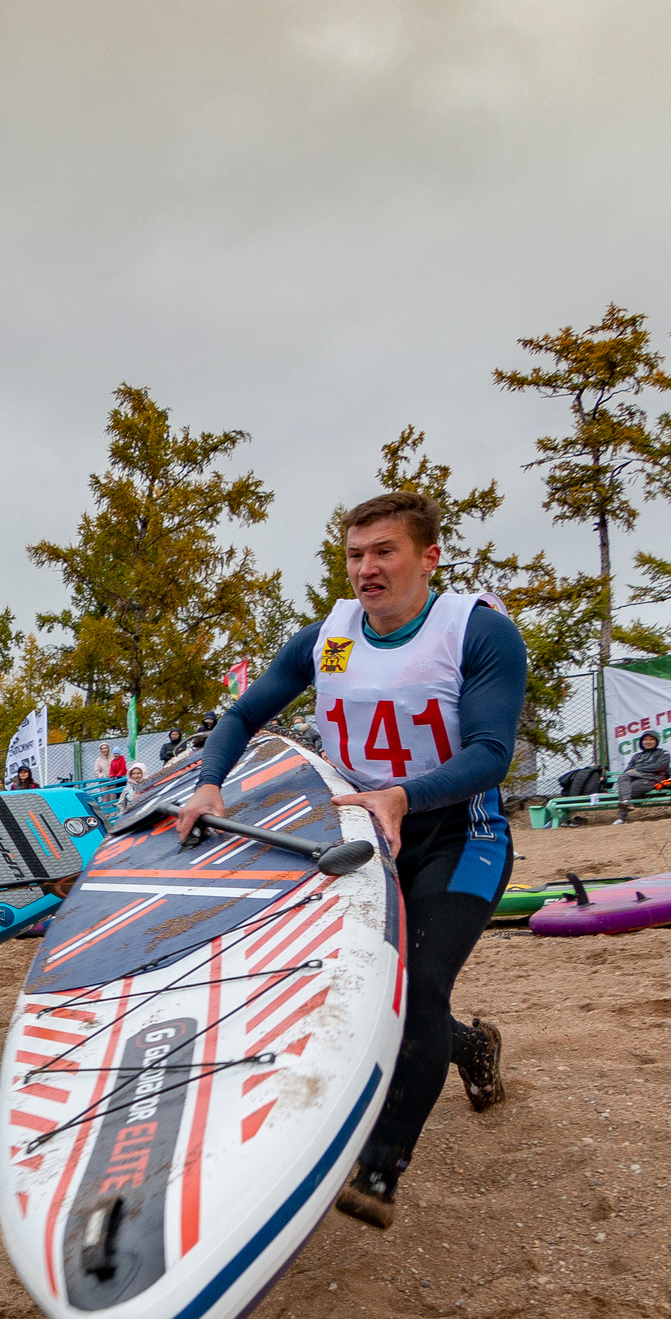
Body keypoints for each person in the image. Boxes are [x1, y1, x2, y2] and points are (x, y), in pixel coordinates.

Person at [172, 489, 525, 1231]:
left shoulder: (478, 631)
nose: (367, 569)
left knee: (417, 987)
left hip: (460, 835)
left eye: (384, 552)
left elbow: (492, 753)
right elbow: (242, 713)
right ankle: (470, 1047)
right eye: (355, 555)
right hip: (363, 832)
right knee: (354, 983)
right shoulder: (325, 638)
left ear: (429, 557)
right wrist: (208, 784)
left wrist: (403, 796)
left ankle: (380, 1168)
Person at [614, 730, 671, 824]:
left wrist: (638, 769)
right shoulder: (637, 756)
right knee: (623, 778)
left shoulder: (663, 753)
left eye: (651, 739)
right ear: (641, 742)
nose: (648, 742)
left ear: (656, 741)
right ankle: (626, 802)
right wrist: (634, 771)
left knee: (626, 790)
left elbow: (660, 766)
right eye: (645, 740)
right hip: (635, 778)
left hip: (652, 780)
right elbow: (627, 771)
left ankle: (622, 817)